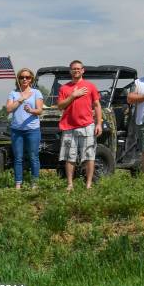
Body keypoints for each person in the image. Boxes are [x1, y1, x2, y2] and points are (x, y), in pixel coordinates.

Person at [57, 60, 102, 191]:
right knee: (69, 157)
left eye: (78, 68)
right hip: (68, 126)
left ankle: (88, 184)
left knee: (89, 156)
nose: (76, 71)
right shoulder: (64, 88)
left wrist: (99, 123)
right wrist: (73, 96)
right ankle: (70, 184)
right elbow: (60, 106)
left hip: (87, 125)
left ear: (83, 70)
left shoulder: (90, 86)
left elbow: (97, 105)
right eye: (73, 69)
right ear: (70, 71)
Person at [6, 68, 43, 189]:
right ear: (18, 79)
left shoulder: (36, 92)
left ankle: (35, 183)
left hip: (32, 130)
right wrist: (20, 100)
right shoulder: (13, 93)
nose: (24, 79)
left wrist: (31, 110)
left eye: (27, 77)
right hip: (17, 130)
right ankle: (18, 183)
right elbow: (8, 109)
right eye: (22, 77)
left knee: (33, 156)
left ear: (31, 78)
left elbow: (40, 110)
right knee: (18, 158)